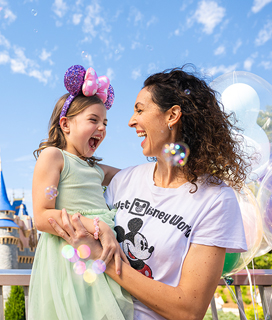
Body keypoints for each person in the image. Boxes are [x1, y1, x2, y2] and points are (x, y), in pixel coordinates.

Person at [48, 65, 249, 319]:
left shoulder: (216, 199)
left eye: (140, 110)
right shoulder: (124, 180)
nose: (131, 121)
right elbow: (73, 169)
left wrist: (103, 259)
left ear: (172, 115)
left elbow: (189, 310)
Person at [28, 65, 133, 320]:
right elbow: (42, 216)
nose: (102, 128)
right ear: (65, 124)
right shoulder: (54, 156)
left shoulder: (94, 167)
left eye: (105, 122)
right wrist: (99, 226)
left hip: (102, 254)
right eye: (93, 120)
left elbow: (132, 176)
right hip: (71, 260)